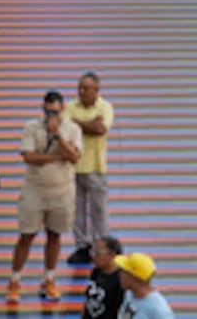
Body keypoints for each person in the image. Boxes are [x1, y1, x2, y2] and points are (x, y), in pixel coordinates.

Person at [6, 90, 82, 304]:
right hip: (35, 190)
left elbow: (74, 157)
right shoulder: (31, 127)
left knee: (54, 235)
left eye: (55, 112)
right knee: (26, 235)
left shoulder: (73, 129)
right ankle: (15, 280)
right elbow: (29, 157)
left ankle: (49, 279)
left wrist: (58, 136)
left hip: (63, 191)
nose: (50, 116)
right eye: (47, 111)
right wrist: (57, 157)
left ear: (62, 109)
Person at [66, 72, 115, 265]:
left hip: (95, 167)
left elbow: (101, 129)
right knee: (76, 211)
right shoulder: (70, 107)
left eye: (86, 88)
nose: (81, 92)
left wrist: (78, 125)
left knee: (99, 211)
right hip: (73, 166)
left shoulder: (105, 107)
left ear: (96, 90)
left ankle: (101, 248)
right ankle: (82, 247)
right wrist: (90, 125)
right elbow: (65, 129)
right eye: (80, 88)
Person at [114, 251, 175, 318]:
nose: (119, 274)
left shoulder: (159, 310)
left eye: (123, 271)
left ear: (134, 276)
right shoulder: (130, 294)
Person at [82, 234, 125, 319]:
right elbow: (88, 301)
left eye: (98, 253)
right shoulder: (96, 272)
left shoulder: (120, 280)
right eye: (93, 252)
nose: (93, 256)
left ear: (112, 255)